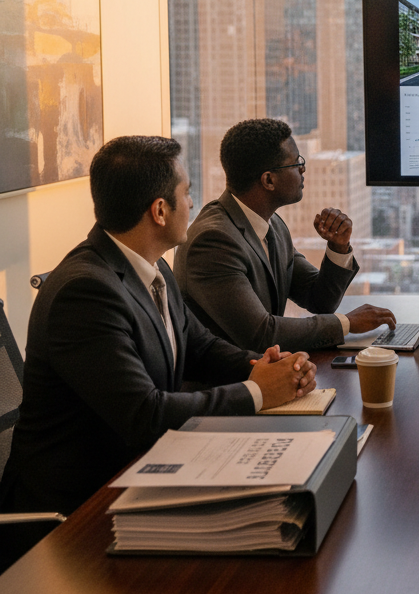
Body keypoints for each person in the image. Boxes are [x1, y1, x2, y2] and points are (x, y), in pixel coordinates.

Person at [1, 136, 317, 519]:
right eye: (187, 194)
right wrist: (257, 392)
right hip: (75, 513)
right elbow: (144, 415)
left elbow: (199, 347)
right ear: (160, 211)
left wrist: (263, 366)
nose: (193, 204)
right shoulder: (84, 293)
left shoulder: (153, 265)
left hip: (139, 474)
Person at [174, 119, 395, 351]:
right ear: (269, 180)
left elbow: (319, 300)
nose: (303, 169)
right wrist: (347, 324)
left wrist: (338, 247)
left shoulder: (272, 225)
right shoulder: (213, 241)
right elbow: (262, 334)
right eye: (296, 163)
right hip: (229, 382)